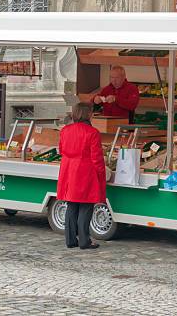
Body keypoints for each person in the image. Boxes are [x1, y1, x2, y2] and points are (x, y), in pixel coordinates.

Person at [57, 103, 107, 250]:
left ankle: (70, 240)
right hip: (85, 171)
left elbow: (61, 149)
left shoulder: (65, 130)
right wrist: (101, 174)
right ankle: (85, 241)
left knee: (71, 205)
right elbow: (97, 158)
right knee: (86, 206)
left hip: (68, 169)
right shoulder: (92, 133)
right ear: (89, 114)